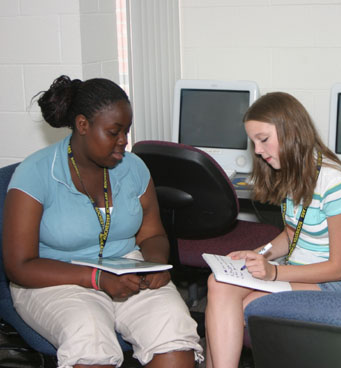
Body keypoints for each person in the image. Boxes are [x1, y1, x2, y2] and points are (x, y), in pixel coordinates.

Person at [2, 75, 203, 368]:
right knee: (89, 337)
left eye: (127, 131)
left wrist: (154, 265)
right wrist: (96, 279)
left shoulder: (133, 167)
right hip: (54, 279)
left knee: (173, 331)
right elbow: (19, 266)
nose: (124, 141)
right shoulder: (35, 173)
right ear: (83, 125)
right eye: (114, 132)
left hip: (127, 269)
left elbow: (152, 234)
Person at [204, 91, 341, 368]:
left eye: (263, 139)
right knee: (217, 284)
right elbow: (292, 234)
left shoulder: (335, 181)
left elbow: (338, 268)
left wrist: (274, 272)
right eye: (254, 142)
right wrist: (259, 254)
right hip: (298, 270)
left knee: (235, 309)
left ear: (291, 132)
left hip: (340, 283)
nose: (257, 150)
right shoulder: (291, 173)